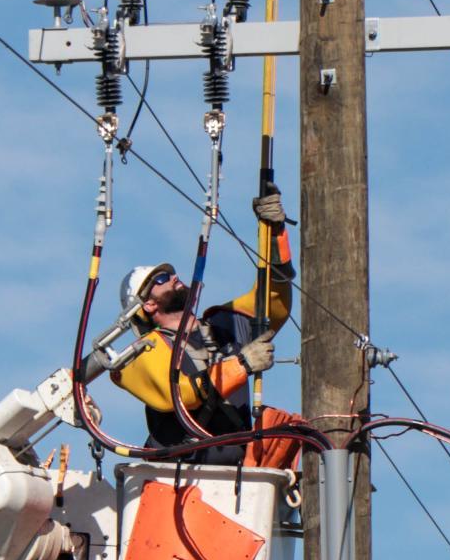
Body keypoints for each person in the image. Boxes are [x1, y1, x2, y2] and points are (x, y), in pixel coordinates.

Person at [110, 189, 309, 469]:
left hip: (238, 474)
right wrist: (242, 365)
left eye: (171, 272)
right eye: (162, 278)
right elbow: (181, 396)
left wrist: (272, 233)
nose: (174, 277)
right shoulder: (143, 353)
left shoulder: (224, 325)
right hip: (185, 479)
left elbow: (273, 300)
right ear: (148, 306)